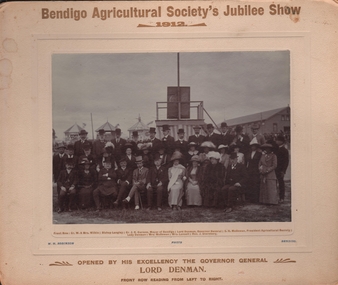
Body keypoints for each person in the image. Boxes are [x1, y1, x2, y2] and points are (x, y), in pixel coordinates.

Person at [275, 135, 289, 203]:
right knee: (274, 183)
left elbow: (286, 162)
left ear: (282, 142)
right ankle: (274, 197)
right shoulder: (275, 149)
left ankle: (281, 197)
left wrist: (283, 171)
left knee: (281, 183)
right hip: (274, 168)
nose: (276, 141)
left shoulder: (284, 150)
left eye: (278, 140)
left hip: (280, 170)